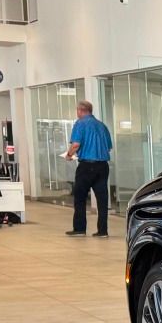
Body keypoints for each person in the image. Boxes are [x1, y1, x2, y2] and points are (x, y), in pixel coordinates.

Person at [64, 99, 112, 237]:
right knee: (102, 200)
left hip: (86, 166)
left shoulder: (80, 123)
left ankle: (79, 229)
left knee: (80, 197)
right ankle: (102, 230)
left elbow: (75, 144)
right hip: (103, 166)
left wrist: (69, 155)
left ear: (80, 111)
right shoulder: (102, 126)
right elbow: (109, 148)